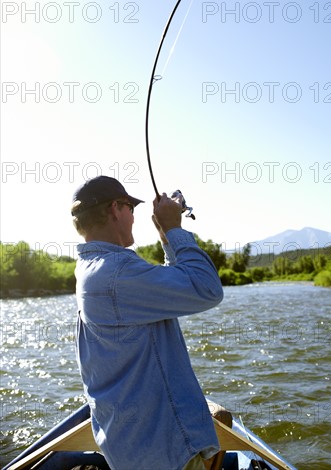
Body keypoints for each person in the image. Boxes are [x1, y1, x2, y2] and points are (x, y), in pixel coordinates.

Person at [71, 176, 224, 470]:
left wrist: (166, 240)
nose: (134, 216)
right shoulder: (117, 272)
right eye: (131, 207)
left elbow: (171, 292)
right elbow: (206, 289)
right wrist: (175, 229)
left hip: (133, 448)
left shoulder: (94, 269)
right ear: (116, 208)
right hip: (163, 454)